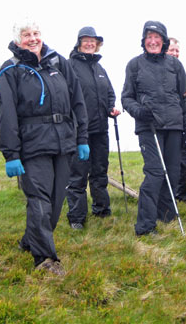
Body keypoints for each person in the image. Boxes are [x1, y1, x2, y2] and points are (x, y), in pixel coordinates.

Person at [0, 17, 89, 276]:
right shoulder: (10, 70)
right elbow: (7, 115)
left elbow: (77, 101)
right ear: (18, 40)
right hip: (32, 145)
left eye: (36, 33)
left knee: (57, 201)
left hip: (63, 142)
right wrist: (11, 154)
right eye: (26, 35)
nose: (33, 38)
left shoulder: (59, 63)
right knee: (39, 201)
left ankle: (30, 239)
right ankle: (45, 259)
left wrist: (82, 139)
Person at [121, 21, 186, 236]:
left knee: (172, 173)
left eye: (157, 37)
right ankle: (145, 225)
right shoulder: (134, 65)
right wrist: (139, 111)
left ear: (164, 40)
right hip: (149, 126)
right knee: (154, 173)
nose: (153, 41)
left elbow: (185, 96)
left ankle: (166, 215)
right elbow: (126, 97)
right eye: (149, 38)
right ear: (144, 41)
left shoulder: (175, 65)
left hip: (174, 125)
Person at [66, 26, 120, 229]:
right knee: (78, 174)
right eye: (86, 40)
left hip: (101, 129)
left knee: (100, 171)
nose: (90, 44)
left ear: (97, 44)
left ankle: (102, 209)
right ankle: (77, 218)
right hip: (79, 131)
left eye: (93, 41)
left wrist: (111, 108)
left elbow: (110, 94)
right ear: (79, 43)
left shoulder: (100, 69)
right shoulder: (69, 65)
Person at [166, 37, 186, 204]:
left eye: (177, 50)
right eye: (172, 50)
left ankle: (183, 194)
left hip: (181, 124)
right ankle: (169, 194)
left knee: (185, 160)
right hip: (166, 125)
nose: (175, 53)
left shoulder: (180, 70)